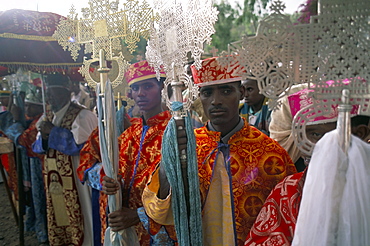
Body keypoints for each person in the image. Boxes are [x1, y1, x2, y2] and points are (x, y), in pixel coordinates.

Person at [142, 57, 297, 246]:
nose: (216, 101)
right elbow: (159, 213)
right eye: (207, 93)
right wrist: (170, 161)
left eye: (226, 91)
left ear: (240, 93)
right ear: (200, 97)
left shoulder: (270, 153)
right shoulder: (189, 146)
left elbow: (289, 217)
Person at [244, 87, 370, 246]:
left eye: (319, 135)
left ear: (360, 134)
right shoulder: (288, 191)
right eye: (309, 135)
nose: (307, 148)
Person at [78, 60, 176, 245]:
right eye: (136, 87)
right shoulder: (130, 133)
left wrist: (140, 215)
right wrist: (105, 180)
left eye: (148, 86)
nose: (140, 93)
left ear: (162, 87)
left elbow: (182, 190)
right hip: (123, 227)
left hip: (155, 230)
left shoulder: (174, 132)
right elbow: (112, 170)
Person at [32, 73, 98, 246]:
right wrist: (45, 135)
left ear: (67, 93)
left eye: (56, 93)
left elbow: (81, 146)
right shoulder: (48, 117)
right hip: (55, 179)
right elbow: (37, 147)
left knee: (83, 215)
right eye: (49, 93)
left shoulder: (83, 115)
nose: (52, 98)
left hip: (78, 180)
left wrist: (52, 132)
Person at [4, 82, 48, 244]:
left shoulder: (41, 121)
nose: (27, 110)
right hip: (32, 166)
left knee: (41, 199)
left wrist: (15, 120)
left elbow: (23, 139)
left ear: (39, 106)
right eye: (26, 106)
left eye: (30, 106)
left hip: (40, 168)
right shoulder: (33, 120)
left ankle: (43, 230)